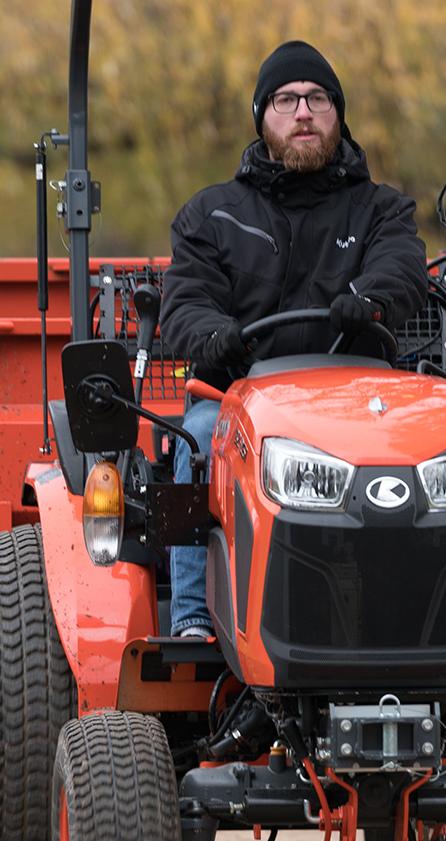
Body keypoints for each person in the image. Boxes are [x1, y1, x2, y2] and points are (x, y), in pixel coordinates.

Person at [157, 40, 428, 641]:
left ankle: (412, 620)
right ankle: (198, 615)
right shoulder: (212, 216)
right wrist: (211, 335)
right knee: (199, 436)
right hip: (243, 401)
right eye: (286, 100)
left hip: (358, 402)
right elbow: (184, 303)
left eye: (317, 99)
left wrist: (372, 300)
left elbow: (403, 268)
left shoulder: (381, 211)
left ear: (338, 114)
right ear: (263, 117)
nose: (303, 112)